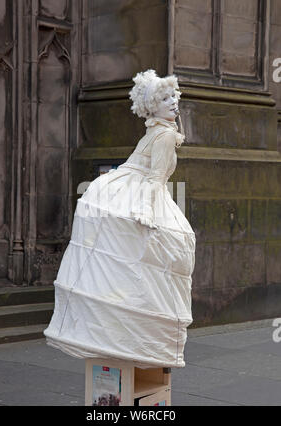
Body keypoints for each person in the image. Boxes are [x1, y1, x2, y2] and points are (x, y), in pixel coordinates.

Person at [44, 70, 196, 368]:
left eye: (174, 95)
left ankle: (115, 334)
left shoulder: (156, 131)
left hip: (124, 187)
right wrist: (146, 211)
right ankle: (131, 339)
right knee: (143, 259)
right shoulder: (163, 135)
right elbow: (154, 179)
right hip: (140, 192)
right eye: (165, 98)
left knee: (129, 262)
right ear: (152, 107)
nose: (174, 101)